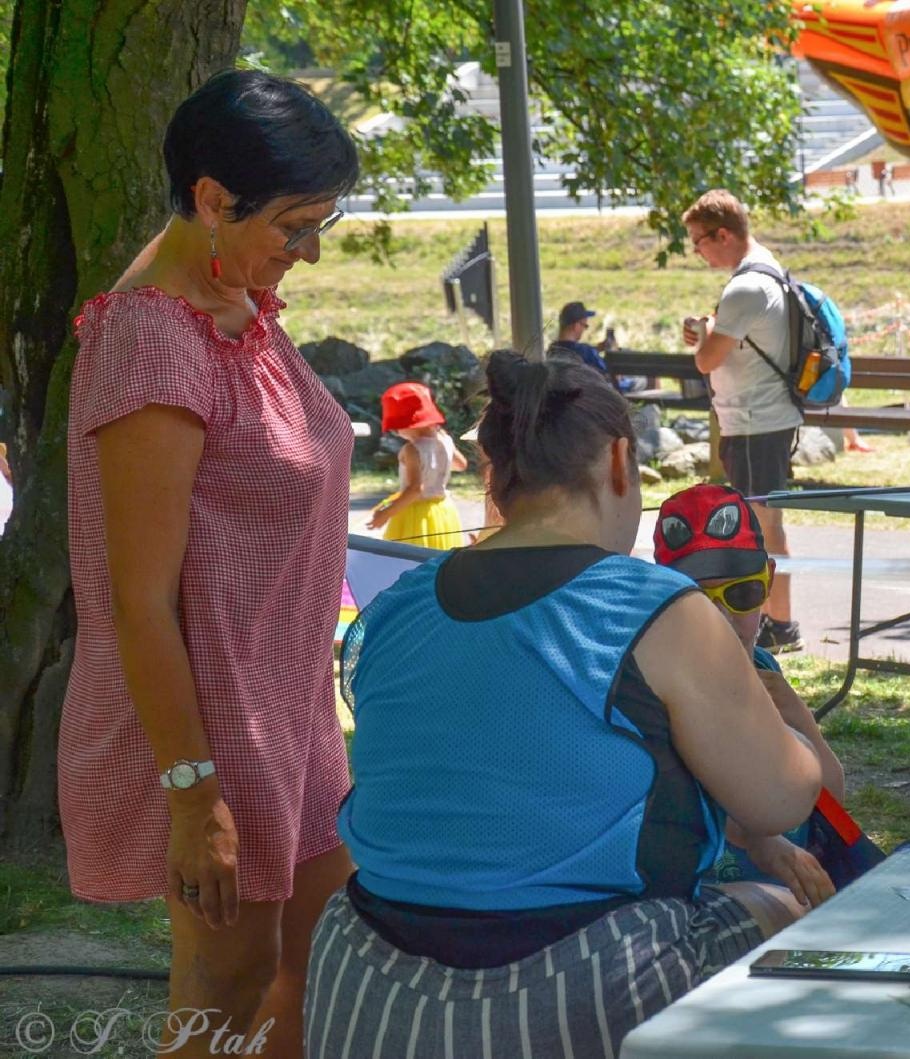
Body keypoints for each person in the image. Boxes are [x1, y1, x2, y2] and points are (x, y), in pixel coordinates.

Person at [303, 353, 822, 1056]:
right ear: (618, 461)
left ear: (497, 475)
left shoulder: (395, 608)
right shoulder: (654, 606)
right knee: (782, 905)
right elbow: (783, 799)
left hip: (364, 987)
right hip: (576, 988)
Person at [62, 70, 358, 1056]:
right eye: (294, 225)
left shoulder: (239, 301)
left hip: (294, 711)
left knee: (318, 963)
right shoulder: (153, 340)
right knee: (224, 991)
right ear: (210, 199)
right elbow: (137, 605)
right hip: (212, 729)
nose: (311, 251)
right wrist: (196, 801)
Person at [653, 483, 849, 908]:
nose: (722, 616)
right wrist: (759, 838)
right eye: (698, 601)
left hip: (790, 892)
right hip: (703, 901)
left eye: (741, 594)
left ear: (768, 583)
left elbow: (833, 795)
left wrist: (797, 715)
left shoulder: (764, 668)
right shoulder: (659, 684)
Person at [681, 189, 804, 653]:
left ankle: (781, 626)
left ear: (724, 234)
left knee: (762, 529)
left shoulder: (745, 287)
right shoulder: (765, 268)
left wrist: (703, 338)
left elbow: (707, 361)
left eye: (699, 241)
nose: (698, 251)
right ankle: (777, 621)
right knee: (762, 525)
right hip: (760, 420)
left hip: (755, 422)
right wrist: (708, 332)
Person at [366, 381, 469, 549]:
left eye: (396, 428)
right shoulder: (445, 440)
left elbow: (415, 489)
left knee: (408, 559)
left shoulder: (412, 450)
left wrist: (386, 514)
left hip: (415, 515)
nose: (397, 433)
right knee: (438, 558)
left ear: (407, 425)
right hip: (441, 510)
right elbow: (461, 465)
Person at [548, 299, 610, 376]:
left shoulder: (552, 350)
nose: (584, 330)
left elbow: (569, 349)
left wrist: (597, 349)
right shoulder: (585, 351)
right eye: (585, 325)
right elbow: (606, 372)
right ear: (576, 326)